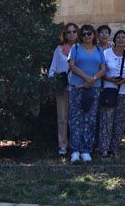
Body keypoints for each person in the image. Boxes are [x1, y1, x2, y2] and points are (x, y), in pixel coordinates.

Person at [67, 24, 106, 163]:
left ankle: (86, 149)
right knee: (76, 118)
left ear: (93, 35)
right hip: (77, 86)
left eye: (89, 34)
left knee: (90, 118)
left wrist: (93, 78)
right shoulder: (75, 48)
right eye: (83, 34)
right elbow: (72, 65)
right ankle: (75, 150)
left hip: (93, 88)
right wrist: (86, 77)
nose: (86, 36)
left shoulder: (99, 49)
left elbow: (103, 68)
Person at [97, 29, 125, 158]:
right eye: (118, 37)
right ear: (114, 39)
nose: (121, 39)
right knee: (106, 119)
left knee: (120, 121)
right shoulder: (106, 53)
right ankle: (104, 148)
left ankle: (115, 147)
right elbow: (102, 70)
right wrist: (110, 79)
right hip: (109, 89)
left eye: (123, 37)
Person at [48, 22, 78, 156]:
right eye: (68, 32)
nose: (71, 34)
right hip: (62, 87)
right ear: (64, 34)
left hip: (78, 87)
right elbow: (52, 68)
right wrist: (53, 82)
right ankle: (62, 145)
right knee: (62, 117)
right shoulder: (59, 49)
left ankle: (76, 145)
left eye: (74, 31)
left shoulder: (81, 48)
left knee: (77, 117)